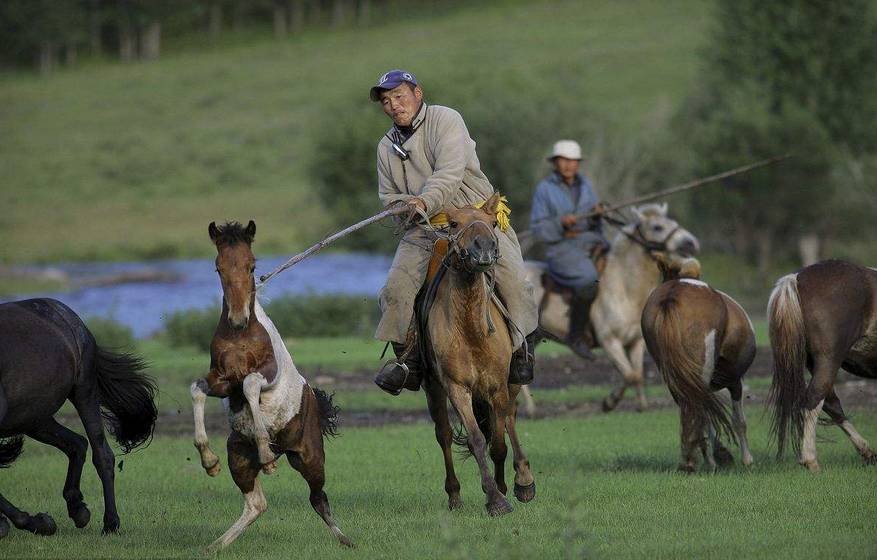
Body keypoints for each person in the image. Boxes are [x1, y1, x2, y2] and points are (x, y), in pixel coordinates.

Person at [369, 69, 539, 395]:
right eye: (387, 102)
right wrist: (400, 208)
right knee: (395, 290)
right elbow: (387, 197)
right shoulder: (385, 147)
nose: (393, 106)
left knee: (515, 281)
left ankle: (520, 351)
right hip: (425, 227)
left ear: (417, 93)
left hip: (475, 217)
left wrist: (422, 199)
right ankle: (409, 362)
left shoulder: (446, 119)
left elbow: (448, 175)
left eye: (399, 96)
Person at [530, 140, 607, 360]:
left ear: (578, 164)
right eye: (564, 160)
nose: (568, 165)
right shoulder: (545, 190)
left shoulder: (586, 186)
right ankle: (576, 336)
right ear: (555, 162)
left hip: (589, 243)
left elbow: (595, 225)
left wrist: (597, 214)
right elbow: (538, 229)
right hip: (561, 249)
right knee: (589, 279)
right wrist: (560, 223)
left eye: (573, 161)